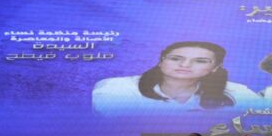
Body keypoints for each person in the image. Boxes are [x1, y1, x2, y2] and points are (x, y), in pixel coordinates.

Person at [92, 41, 261, 114]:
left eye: (200, 61)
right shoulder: (118, 89)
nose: (185, 65)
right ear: (161, 61)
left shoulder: (237, 92)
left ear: (215, 68)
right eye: (176, 58)